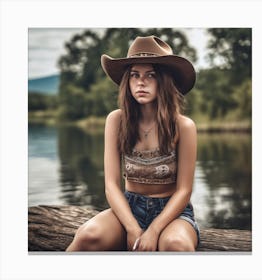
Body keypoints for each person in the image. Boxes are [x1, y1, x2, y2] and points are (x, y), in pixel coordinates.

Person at [66, 35, 200, 252]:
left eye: (151, 75)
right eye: (135, 75)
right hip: (129, 207)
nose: (141, 82)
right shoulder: (116, 120)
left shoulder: (184, 126)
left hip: (172, 212)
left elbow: (184, 191)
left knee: (176, 245)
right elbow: (111, 185)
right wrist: (132, 228)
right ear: (127, 81)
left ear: (164, 81)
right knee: (87, 236)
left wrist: (154, 230)